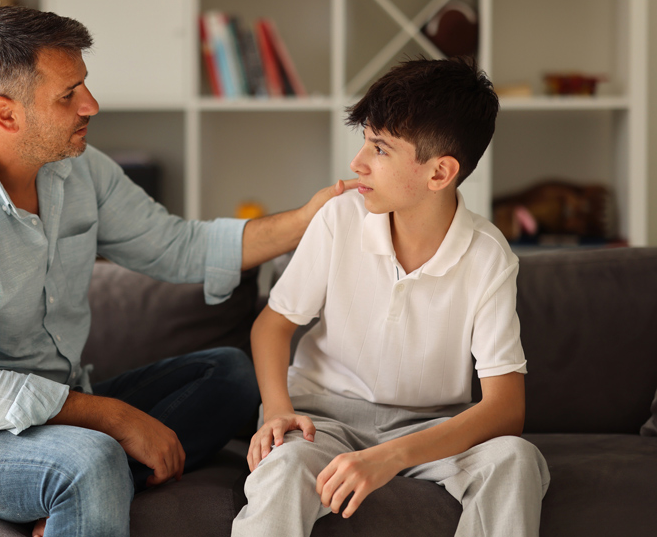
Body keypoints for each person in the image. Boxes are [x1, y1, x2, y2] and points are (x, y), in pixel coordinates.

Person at [0, 5, 353, 537]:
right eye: (67, 95)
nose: (90, 105)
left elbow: (176, 245)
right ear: (6, 113)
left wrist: (307, 219)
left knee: (231, 374)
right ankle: (86, 481)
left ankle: (74, 495)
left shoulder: (77, 168)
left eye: (84, 86)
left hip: (50, 409)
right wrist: (117, 418)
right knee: (90, 458)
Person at [232, 57, 551, 537]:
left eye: (379, 148)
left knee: (516, 460)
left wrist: (388, 457)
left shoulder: (488, 256)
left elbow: (506, 408)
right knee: (281, 468)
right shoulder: (339, 219)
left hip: (431, 429)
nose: (358, 163)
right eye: (364, 141)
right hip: (324, 418)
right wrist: (277, 411)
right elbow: (272, 325)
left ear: (440, 173)